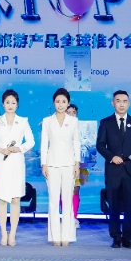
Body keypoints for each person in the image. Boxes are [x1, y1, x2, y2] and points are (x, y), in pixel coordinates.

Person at [96, 90, 131, 249]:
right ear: (113, 103)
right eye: (118, 101)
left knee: (129, 205)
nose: (121, 104)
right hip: (113, 170)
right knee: (114, 205)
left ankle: (127, 238)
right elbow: (100, 145)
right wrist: (111, 157)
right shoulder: (106, 122)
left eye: (124, 101)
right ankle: (116, 237)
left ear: (129, 104)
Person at [0, 89, 35, 247]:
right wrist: (0, 149)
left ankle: (12, 234)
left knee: (15, 198)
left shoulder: (23, 121)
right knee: (2, 198)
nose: (10, 105)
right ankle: (3, 233)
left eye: (13, 103)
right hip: (1, 161)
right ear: (3, 104)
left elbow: (31, 141)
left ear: (17, 104)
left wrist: (18, 148)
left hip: (16, 162)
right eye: (7, 102)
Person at [40, 88, 80, 247]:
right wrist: (43, 164)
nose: (61, 104)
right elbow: (44, 142)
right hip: (52, 163)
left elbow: (77, 142)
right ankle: (55, 236)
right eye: (58, 101)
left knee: (67, 200)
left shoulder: (73, 121)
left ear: (68, 103)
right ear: (53, 103)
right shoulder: (47, 121)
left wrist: (77, 163)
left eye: (64, 102)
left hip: (69, 164)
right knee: (53, 201)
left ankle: (67, 236)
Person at [66, 104, 87, 228]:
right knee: (63, 191)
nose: (71, 115)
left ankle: (73, 217)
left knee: (75, 190)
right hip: (62, 163)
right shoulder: (58, 126)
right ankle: (66, 217)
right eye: (68, 112)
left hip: (77, 164)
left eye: (73, 112)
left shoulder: (82, 129)